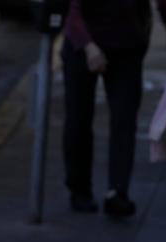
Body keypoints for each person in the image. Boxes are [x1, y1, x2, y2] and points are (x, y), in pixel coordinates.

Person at [62, 0, 155, 217]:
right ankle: (79, 190)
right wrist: (88, 46)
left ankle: (117, 192)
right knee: (79, 119)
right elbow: (71, 9)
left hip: (127, 43)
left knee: (124, 120)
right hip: (83, 44)